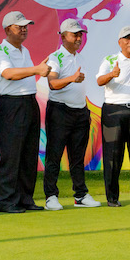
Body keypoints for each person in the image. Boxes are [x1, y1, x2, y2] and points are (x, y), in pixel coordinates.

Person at [0, 11, 50, 214]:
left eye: (26, 26)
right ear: (8, 30)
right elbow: (8, 74)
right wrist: (36, 70)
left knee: (28, 154)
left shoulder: (24, 51)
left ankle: (25, 199)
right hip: (10, 106)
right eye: (19, 26)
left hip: (28, 103)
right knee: (11, 154)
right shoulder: (0, 51)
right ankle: (7, 201)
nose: (24, 29)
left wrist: (35, 69)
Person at [44, 18, 99, 210]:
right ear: (63, 36)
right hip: (60, 111)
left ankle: (80, 195)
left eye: (80, 34)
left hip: (80, 112)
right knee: (55, 155)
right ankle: (50, 196)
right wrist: (72, 78)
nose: (78, 38)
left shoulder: (80, 57)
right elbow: (52, 84)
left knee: (77, 157)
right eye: (74, 34)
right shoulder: (55, 58)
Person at [97, 25, 130, 207]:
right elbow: (99, 81)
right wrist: (112, 74)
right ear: (120, 42)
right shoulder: (110, 59)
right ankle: (112, 197)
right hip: (114, 111)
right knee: (113, 155)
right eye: (127, 38)